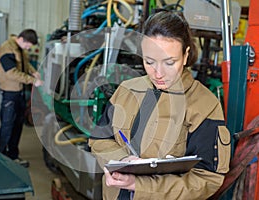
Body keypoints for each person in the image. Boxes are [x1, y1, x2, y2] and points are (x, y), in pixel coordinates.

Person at [88, 11, 231, 199]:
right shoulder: (126, 91)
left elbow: (207, 178)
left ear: (186, 55)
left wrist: (139, 185)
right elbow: (99, 139)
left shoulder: (204, 105)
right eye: (149, 61)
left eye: (169, 62)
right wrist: (122, 159)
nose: (158, 73)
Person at [0, 29, 43, 167]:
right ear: (22, 39)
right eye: (28, 45)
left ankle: (13, 156)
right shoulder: (6, 49)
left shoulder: (19, 48)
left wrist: (33, 72)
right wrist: (33, 81)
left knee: (17, 126)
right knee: (7, 126)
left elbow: (24, 63)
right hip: (10, 93)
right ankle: (0, 157)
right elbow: (11, 72)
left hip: (20, 92)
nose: (29, 48)